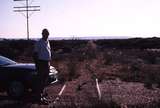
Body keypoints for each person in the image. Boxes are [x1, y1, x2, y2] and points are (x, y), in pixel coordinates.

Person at [33, 28, 51, 104]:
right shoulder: (39, 42)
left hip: (47, 63)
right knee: (40, 81)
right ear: (42, 34)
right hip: (41, 64)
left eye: (47, 34)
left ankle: (42, 96)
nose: (47, 35)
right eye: (45, 34)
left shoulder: (47, 42)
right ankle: (38, 98)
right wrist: (38, 65)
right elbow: (35, 54)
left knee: (44, 81)